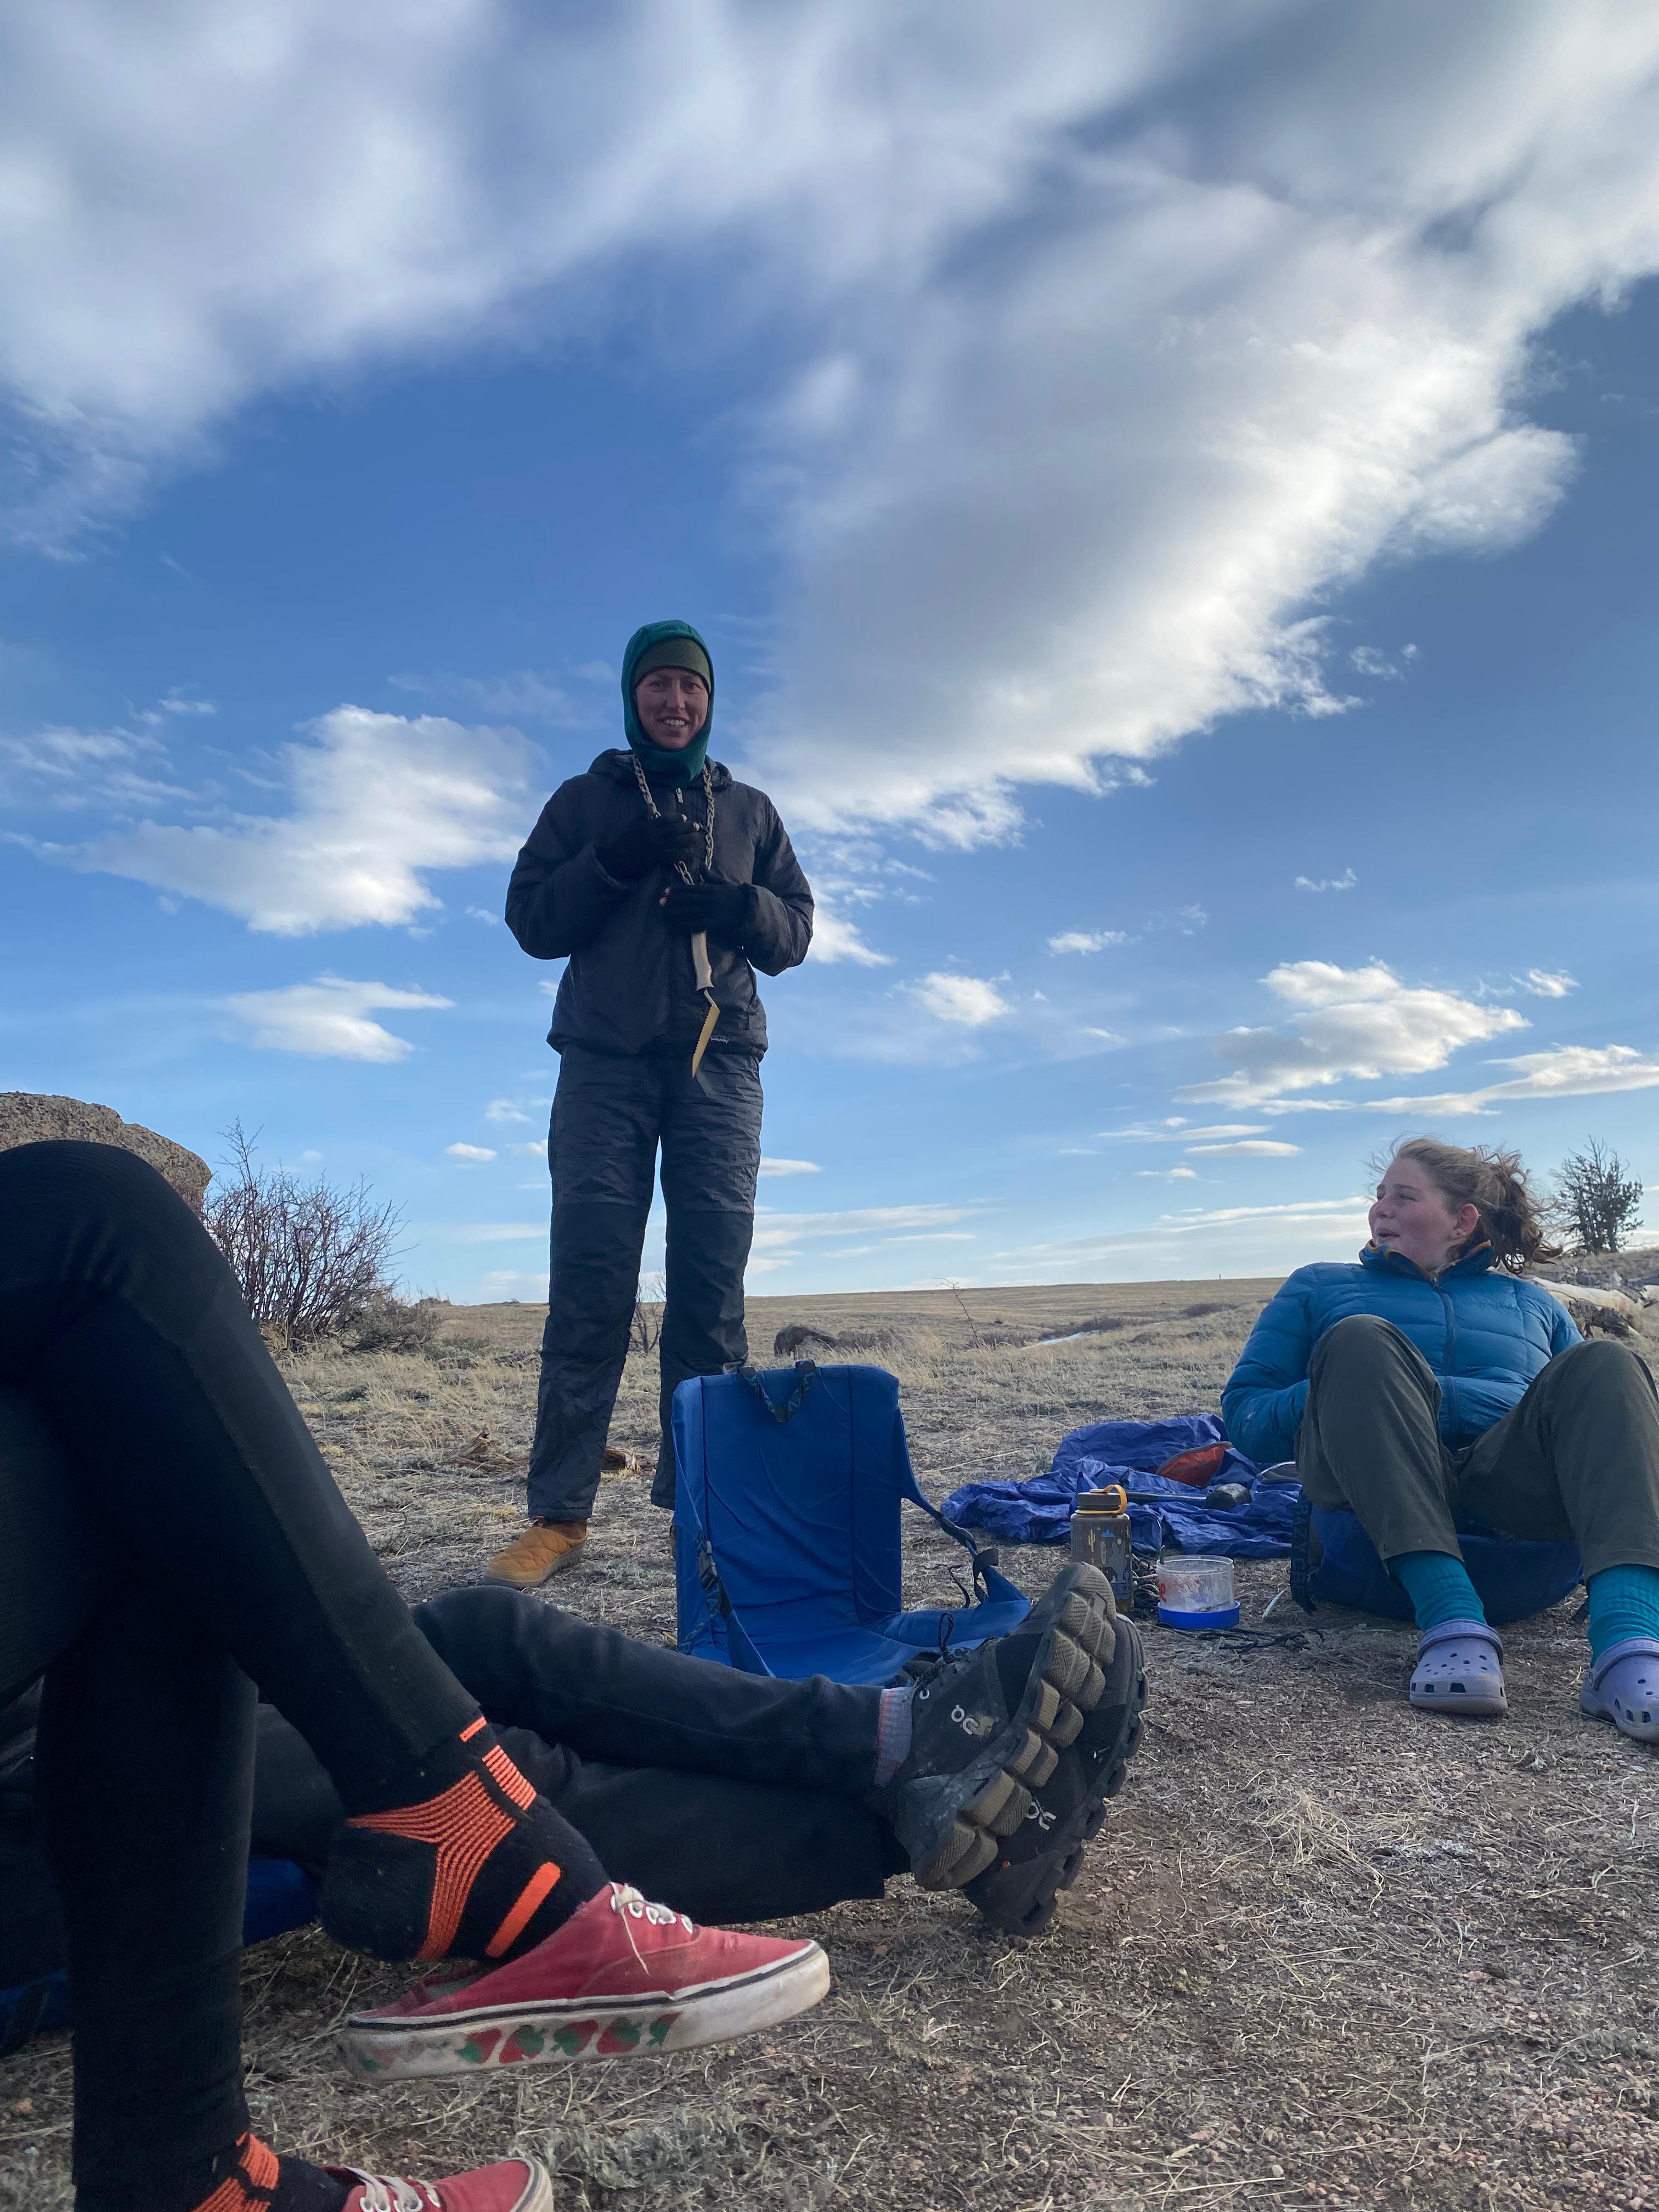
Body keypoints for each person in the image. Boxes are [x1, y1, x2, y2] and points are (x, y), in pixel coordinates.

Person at [0, 1142, 1129, 2209]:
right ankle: (921, 1824)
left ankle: (904, 1744)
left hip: (64, 1702)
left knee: (480, 1636)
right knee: (100, 1225)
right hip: (28, 1797)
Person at [489, 619, 813, 1589]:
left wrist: (737, 910)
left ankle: (703, 1513)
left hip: (719, 1067)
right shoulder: (583, 800)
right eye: (658, 686)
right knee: (590, 1280)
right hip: (602, 1069)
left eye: (691, 688)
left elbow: (794, 929)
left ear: (710, 702)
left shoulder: (750, 810)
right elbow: (530, 920)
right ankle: (559, 1516)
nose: (675, 703)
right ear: (632, 696)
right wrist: (615, 859)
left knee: (710, 1292)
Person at [1222, 1136, 1659, 1740]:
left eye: (1403, 1197)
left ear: (1462, 1221)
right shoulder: (1319, 1286)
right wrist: (1339, 1385)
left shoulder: (1531, 1302)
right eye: (1379, 1197)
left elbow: (1598, 1424)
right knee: (1360, 1339)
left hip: (1513, 1516)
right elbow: (1245, 1419)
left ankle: (1630, 1644)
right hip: (1373, 1523)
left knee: (1608, 1365)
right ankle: (1452, 1621)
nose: (1381, 1210)